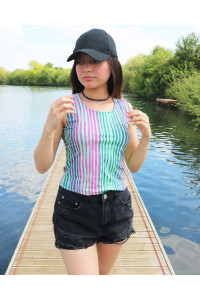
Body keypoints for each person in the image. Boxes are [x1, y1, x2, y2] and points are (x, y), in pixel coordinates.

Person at [34, 28, 151, 275]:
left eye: (95, 61)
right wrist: (48, 127)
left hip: (117, 206)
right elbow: (42, 165)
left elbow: (133, 164)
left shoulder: (124, 108)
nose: (86, 68)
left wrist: (146, 137)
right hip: (75, 207)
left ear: (112, 66)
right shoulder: (67, 107)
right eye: (80, 62)